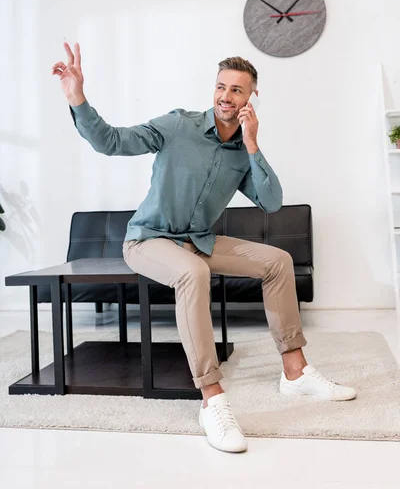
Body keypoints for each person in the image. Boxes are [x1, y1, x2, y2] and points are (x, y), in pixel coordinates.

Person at [52, 42, 357, 453]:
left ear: (251, 98)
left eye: (237, 90)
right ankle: (212, 399)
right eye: (221, 87)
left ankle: (295, 373)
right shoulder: (179, 125)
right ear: (213, 89)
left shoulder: (241, 150)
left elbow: (271, 202)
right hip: (148, 239)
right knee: (193, 273)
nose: (226, 96)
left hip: (198, 242)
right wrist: (77, 97)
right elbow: (111, 141)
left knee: (277, 261)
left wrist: (252, 144)